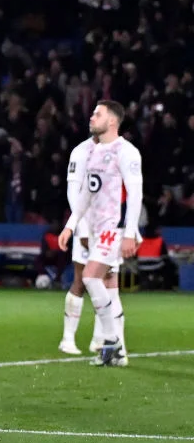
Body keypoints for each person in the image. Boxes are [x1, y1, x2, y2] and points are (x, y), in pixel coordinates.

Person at [57, 101, 142, 367]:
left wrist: (130, 233)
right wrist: (71, 225)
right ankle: (116, 350)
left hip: (111, 229)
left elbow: (135, 193)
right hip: (93, 230)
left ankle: (110, 339)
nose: (92, 117)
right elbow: (86, 193)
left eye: (98, 114)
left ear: (112, 121)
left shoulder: (126, 151)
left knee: (91, 277)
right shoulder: (92, 151)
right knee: (108, 286)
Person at [58, 133, 124, 355]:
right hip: (87, 224)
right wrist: (82, 228)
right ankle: (67, 339)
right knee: (81, 279)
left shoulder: (116, 151)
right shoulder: (81, 152)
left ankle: (100, 339)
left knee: (107, 280)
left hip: (109, 227)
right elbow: (73, 192)